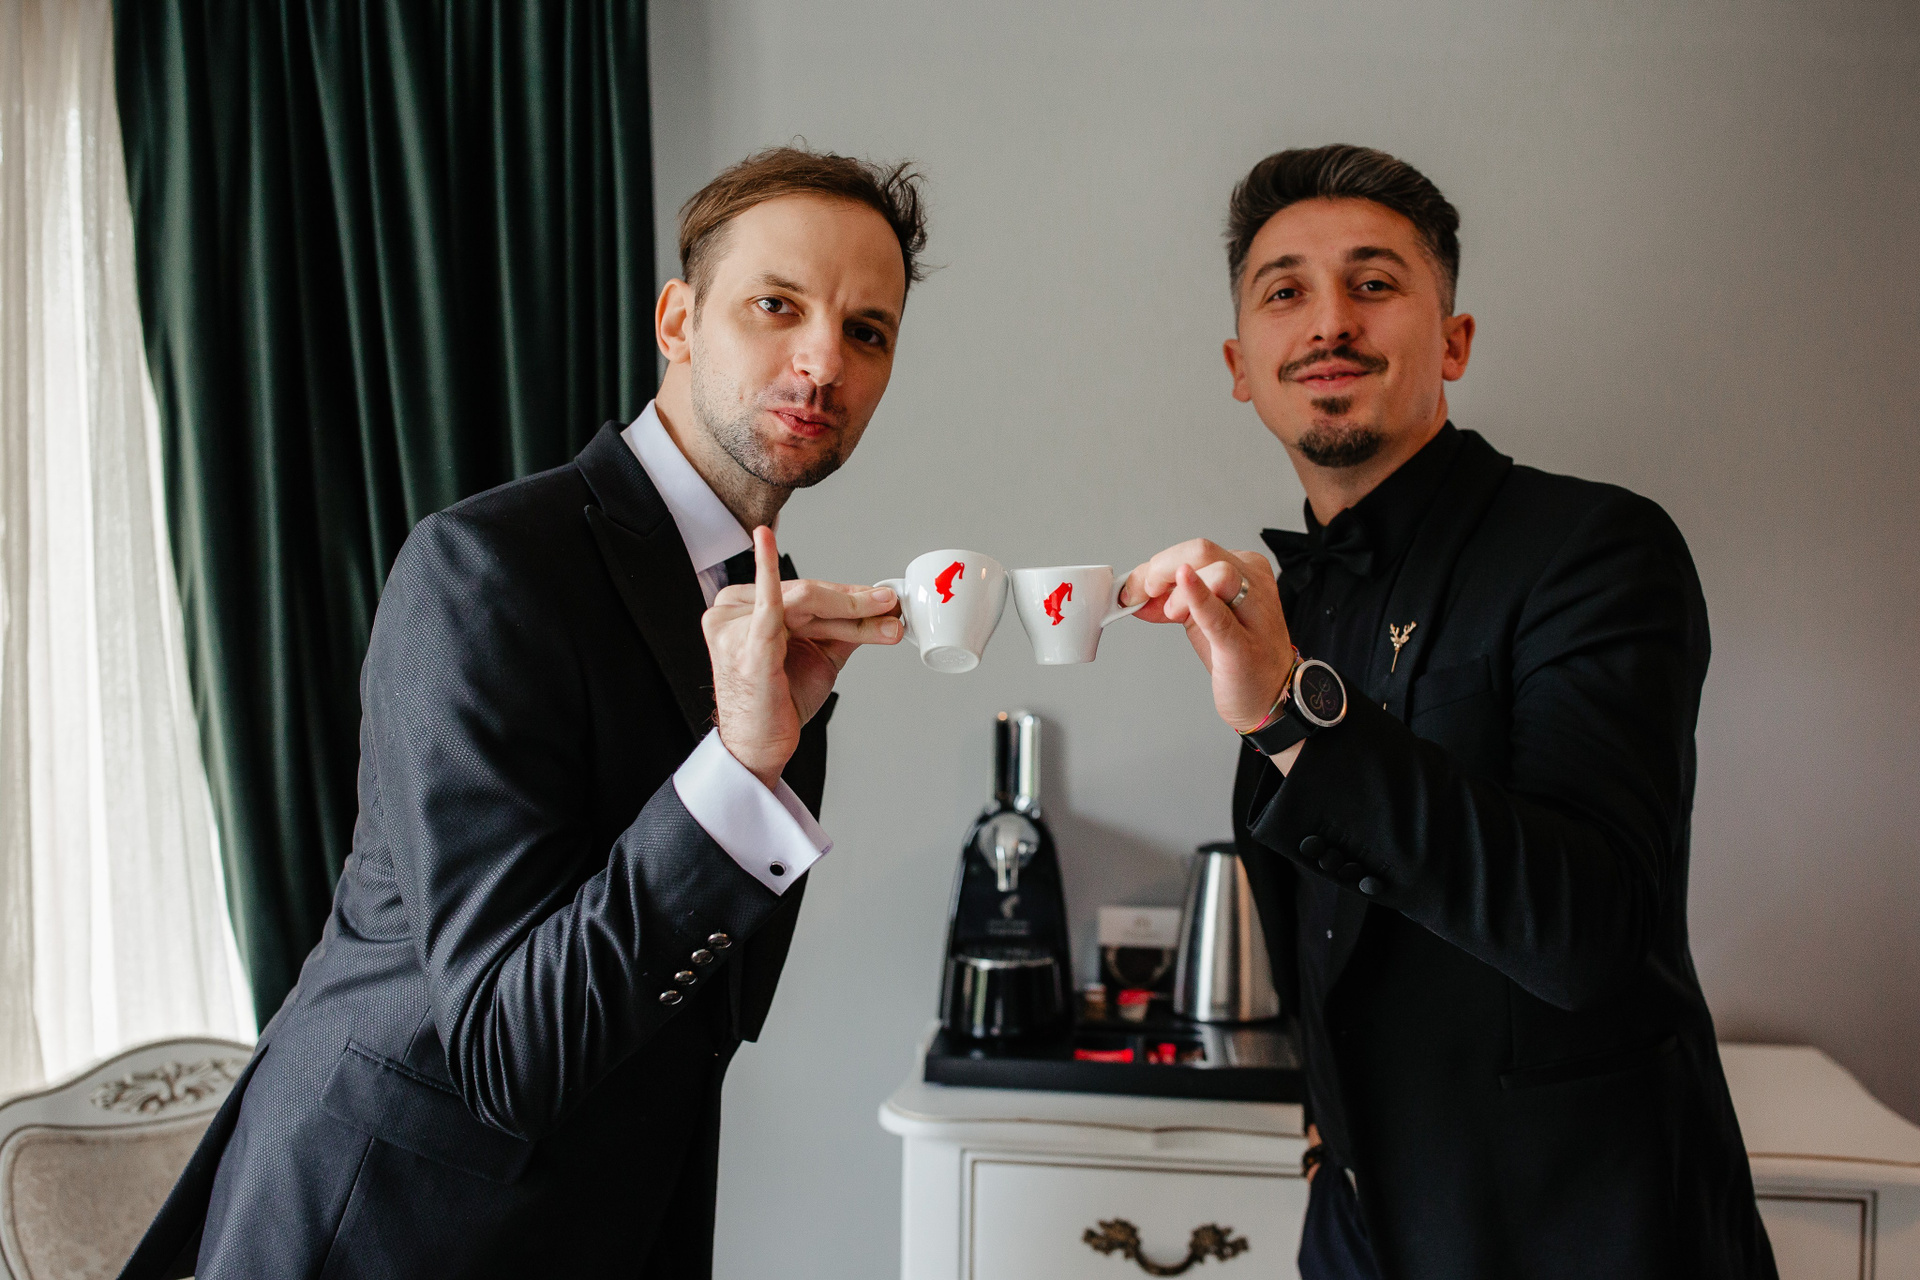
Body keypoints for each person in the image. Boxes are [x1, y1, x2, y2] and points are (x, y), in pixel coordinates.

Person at [120, 146, 923, 1280]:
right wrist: (739, 767)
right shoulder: (486, 565)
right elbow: (507, 1046)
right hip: (383, 1228)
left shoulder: (768, 608)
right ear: (679, 321)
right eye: (777, 305)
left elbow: (717, 1003)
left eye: (867, 331)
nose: (823, 360)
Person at [1122, 145, 1776, 1279]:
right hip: (1357, 1233)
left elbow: (1587, 931)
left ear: (1455, 341)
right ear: (1242, 365)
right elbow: (1324, 932)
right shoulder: (1286, 603)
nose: (1330, 321)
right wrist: (1328, 1147)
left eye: (1374, 283)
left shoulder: (1597, 549)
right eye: (1285, 292)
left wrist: (1288, 714)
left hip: (1582, 1239)